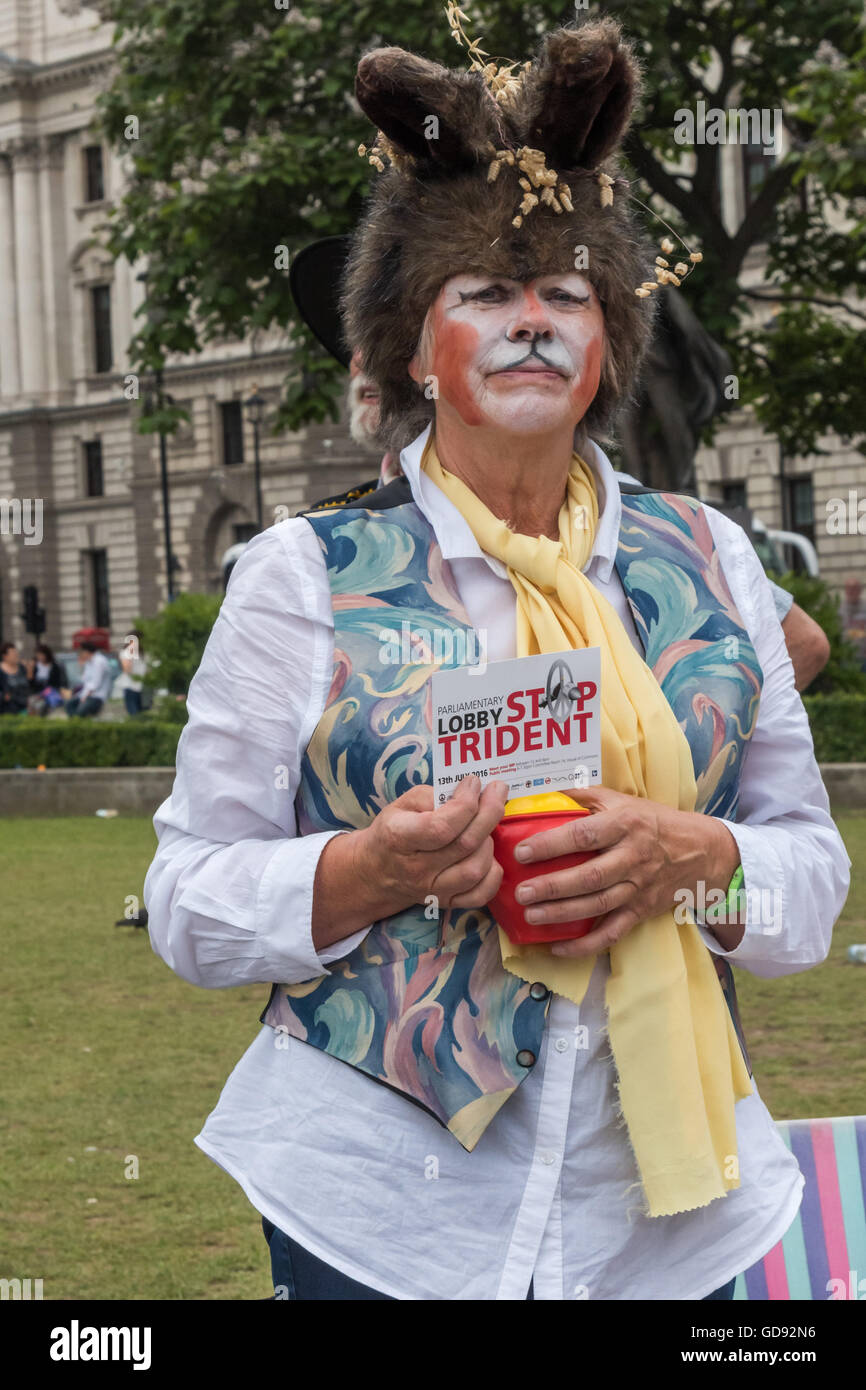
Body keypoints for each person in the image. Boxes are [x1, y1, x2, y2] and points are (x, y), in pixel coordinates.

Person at [145, 16, 850, 1300]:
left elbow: (806, 886)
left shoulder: (711, 561)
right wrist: (364, 869)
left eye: (564, 294)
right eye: (483, 294)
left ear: (606, 348)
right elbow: (186, 900)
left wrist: (699, 863)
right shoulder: (301, 574)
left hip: (655, 1213)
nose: (529, 320)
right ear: (412, 351)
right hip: (375, 1208)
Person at [66, 640, 113, 718]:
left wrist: (85, 696)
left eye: (81, 652)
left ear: (87, 651)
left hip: (96, 696)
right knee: (69, 705)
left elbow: (96, 683)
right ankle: (74, 725)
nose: (80, 654)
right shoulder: (89, 662)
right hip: (85, 694)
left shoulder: (99, 661)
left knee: (80, 712)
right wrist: (81, 666)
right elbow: (84, 679)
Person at [25, 643, 68, 716]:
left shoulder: (54, 666)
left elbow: (58, 682)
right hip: (38, 692)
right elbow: (30, 682)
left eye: (41, 655)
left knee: (46, 705)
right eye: (38, 655)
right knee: (32, 703)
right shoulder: (35, 666)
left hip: (51, 692)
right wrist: (30, 669)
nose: (40, 657)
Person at [118, 630, 149, 717]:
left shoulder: (143, 653)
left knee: (141, 714)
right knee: (135, 713)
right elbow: (127, 669)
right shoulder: (127, 653)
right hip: (131, 686)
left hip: (140, 687)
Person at [0, 642, 30, 715]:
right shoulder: (1, 671)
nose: (16, 656)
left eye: (16, 654)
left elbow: (28, 683)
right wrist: (4, 696)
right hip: (6, 710)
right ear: (5, 656)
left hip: (24, 707)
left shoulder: (21, 668)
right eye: (13, 655)